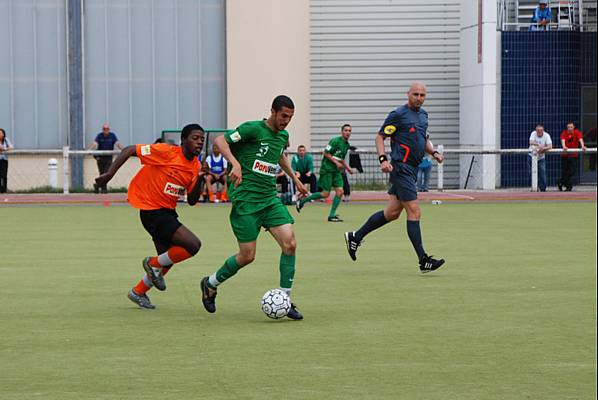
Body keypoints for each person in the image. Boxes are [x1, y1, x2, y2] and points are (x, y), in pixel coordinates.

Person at [199, 95, 309, 320]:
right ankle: (210, 284)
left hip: (269, 199)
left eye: (290, 117)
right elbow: (220, 141)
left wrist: (295, 179)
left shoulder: (282, 135)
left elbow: (279, 156)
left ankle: (285, 299)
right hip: (246, 202)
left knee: (290, 244)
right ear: (273, 111)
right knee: (247, 256)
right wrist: (236, 163)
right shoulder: (253, 129)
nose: (286, 121)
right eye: (283, 116)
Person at [94, 124, 206, 309]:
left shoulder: (196, 166)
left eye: (202, 139)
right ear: (183, 140)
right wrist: (109, 174)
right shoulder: (166, 152)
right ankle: (151, 263)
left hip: (167, 211)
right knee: (193, 245)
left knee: (168, 259)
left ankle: (138, 291)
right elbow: (130, 149)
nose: (200, 142)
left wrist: (201, 177)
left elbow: (192, 200)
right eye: (195, 138)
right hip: (152, 210)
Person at [343, 82, 446, 273]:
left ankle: (355, 236)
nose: (419, 98)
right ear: (408, 94)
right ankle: (423, 260)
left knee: (392, 213)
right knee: (414, 212)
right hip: (401, 168)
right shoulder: (398, 114)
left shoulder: (424, 115)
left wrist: (433, 153)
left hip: (412, 169)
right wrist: (383, 160)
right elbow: (380, 137)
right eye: (415, 94)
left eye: (423, 95)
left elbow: (422, 139)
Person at [295, 124, 354, 222]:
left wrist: (348, 168)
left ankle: (332, 215)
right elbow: (326, 153)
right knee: (325, 194)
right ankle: (303, 201)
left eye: (349, 131)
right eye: (346, 130)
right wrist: (336, 163)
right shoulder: (335, 141)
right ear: (342, 131)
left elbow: (341, 158)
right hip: (327, 169)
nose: (348, 132)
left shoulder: (347, 145)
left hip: (336, 171)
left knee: (340, 192)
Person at [89, 123, 124, 193]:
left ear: (109, 130)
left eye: (107, 129)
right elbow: (95, 143)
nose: (106, 130)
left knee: (107, 173)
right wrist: (89, 150)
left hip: (108, 158)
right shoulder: (99, 136)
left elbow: (117, 143)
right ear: (102, 130)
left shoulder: (112, 136)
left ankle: (98, 186)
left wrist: (124, 150)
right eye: (104, 129)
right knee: (101, 173)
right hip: (100, 158)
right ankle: (102, 189)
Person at [558, 121, 587, 191]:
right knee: (565, 171)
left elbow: (580, 140)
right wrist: (564, 146)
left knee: (572, 171)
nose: (570, 128)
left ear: (573, 127)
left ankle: (561, 182)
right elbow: (563, 140)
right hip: (565, 155)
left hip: (573, 155)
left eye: (571, 127)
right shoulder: (564, 133)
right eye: (568, 127)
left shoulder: (577, 132)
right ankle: (568, 186)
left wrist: (583, 146)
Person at [529, 124, 552, 192]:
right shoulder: (533, 133)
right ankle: (535, 187)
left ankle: (543, 189)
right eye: (538, 130)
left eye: (541, 130)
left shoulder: (546, 135)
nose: (539, 131)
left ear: (543, 130)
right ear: (536, 130)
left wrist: (543, 149)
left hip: (541, 157)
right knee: (531, 173)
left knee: (542, 172)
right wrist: (539, 145)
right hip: (531, 156)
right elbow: (531, 142)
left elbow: (550, 146)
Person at [0, 128, 14, 193]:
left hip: (4, 159)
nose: (0, 134)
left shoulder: (6, 140)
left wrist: (4, 149)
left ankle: (4, 189)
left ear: (3, 134)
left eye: (0, 133)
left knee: (4, 175)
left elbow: (11, 147)